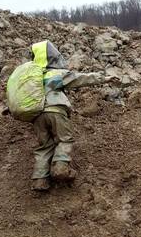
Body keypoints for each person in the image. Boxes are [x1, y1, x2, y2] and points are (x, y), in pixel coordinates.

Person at [16, 40, 110, 192]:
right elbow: (79, 79)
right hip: (56, 110)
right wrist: (103, 78)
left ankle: (40, 180)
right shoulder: (54, 74)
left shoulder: (30, 78)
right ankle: (60, 169)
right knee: (64, 139)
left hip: (36, 116)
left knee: (44, 147)